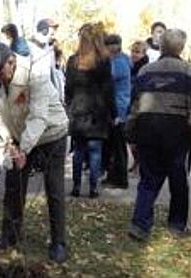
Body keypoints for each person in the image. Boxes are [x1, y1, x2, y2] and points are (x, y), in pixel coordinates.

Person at [0, 42, 69, 263]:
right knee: (13, 187)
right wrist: (9, 143)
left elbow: (39, 118)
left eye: (1, 73)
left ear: (11, 61)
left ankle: (58, 242)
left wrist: (23, 150)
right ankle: (10, 235)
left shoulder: (35, 74)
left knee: (54, 190)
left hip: (51, 135)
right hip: (20, 137)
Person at [125, 29, 191, 242]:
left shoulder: (145, 72)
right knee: (179, 181)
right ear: (181, 47)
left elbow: (135, 106)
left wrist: (131, 133)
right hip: (178, 137)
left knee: (148, 181)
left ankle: (140, 225)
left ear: (161, 46)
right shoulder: (190, 73)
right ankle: (177, 224)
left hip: (148, 134)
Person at [65, 23, 116, 198]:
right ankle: (93, 187)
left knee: (78, 151)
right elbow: (109, 90)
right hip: (97, 112)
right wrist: (114, 113)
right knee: (95, 151)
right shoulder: (103, 61)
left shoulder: (73, 61)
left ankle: (76, 187)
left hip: (78, 111)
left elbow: (68, 88)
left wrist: (69, 107)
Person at [103, 34, 130, 189]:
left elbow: (108, 78)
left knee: (118, 146)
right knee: (114, 146)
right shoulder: (121, 60)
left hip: (119, 108)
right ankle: (114, 175)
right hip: (118, 106)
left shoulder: (118, 62)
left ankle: (120, 178)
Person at [28, 18, 65, 104]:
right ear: (44, 30)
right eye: (52, 29)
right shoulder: (31, 48)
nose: (55, 32)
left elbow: (57, 75)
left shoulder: (54, 48)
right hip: (39, 99)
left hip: (56, 99)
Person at [128, 40, 150, 173]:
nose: (134, 55)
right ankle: (137, 162)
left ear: (144, 53)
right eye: (133, 52)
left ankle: (140, 163)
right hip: (130, 101)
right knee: (131, 138)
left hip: (140, 103)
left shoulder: (145, 68)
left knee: (137, 137)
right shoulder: (130, 66)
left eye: (137, 52)